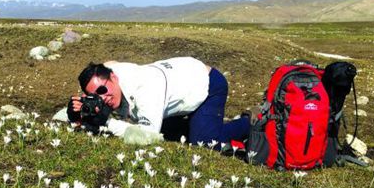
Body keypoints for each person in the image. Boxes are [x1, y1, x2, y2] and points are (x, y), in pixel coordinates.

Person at [68, 57, 251, 146]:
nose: (103, 98)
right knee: (174, 135)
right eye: (96, 96)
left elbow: (148, 136)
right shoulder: (108, 73)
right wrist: (81, 111)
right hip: (179, 85)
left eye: (103, 90)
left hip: (207, 85)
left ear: (114, 78)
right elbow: (109, 63)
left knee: (204, 144)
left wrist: (107, 122)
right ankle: (198, 124)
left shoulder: (146, 87)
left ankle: (250, 123)